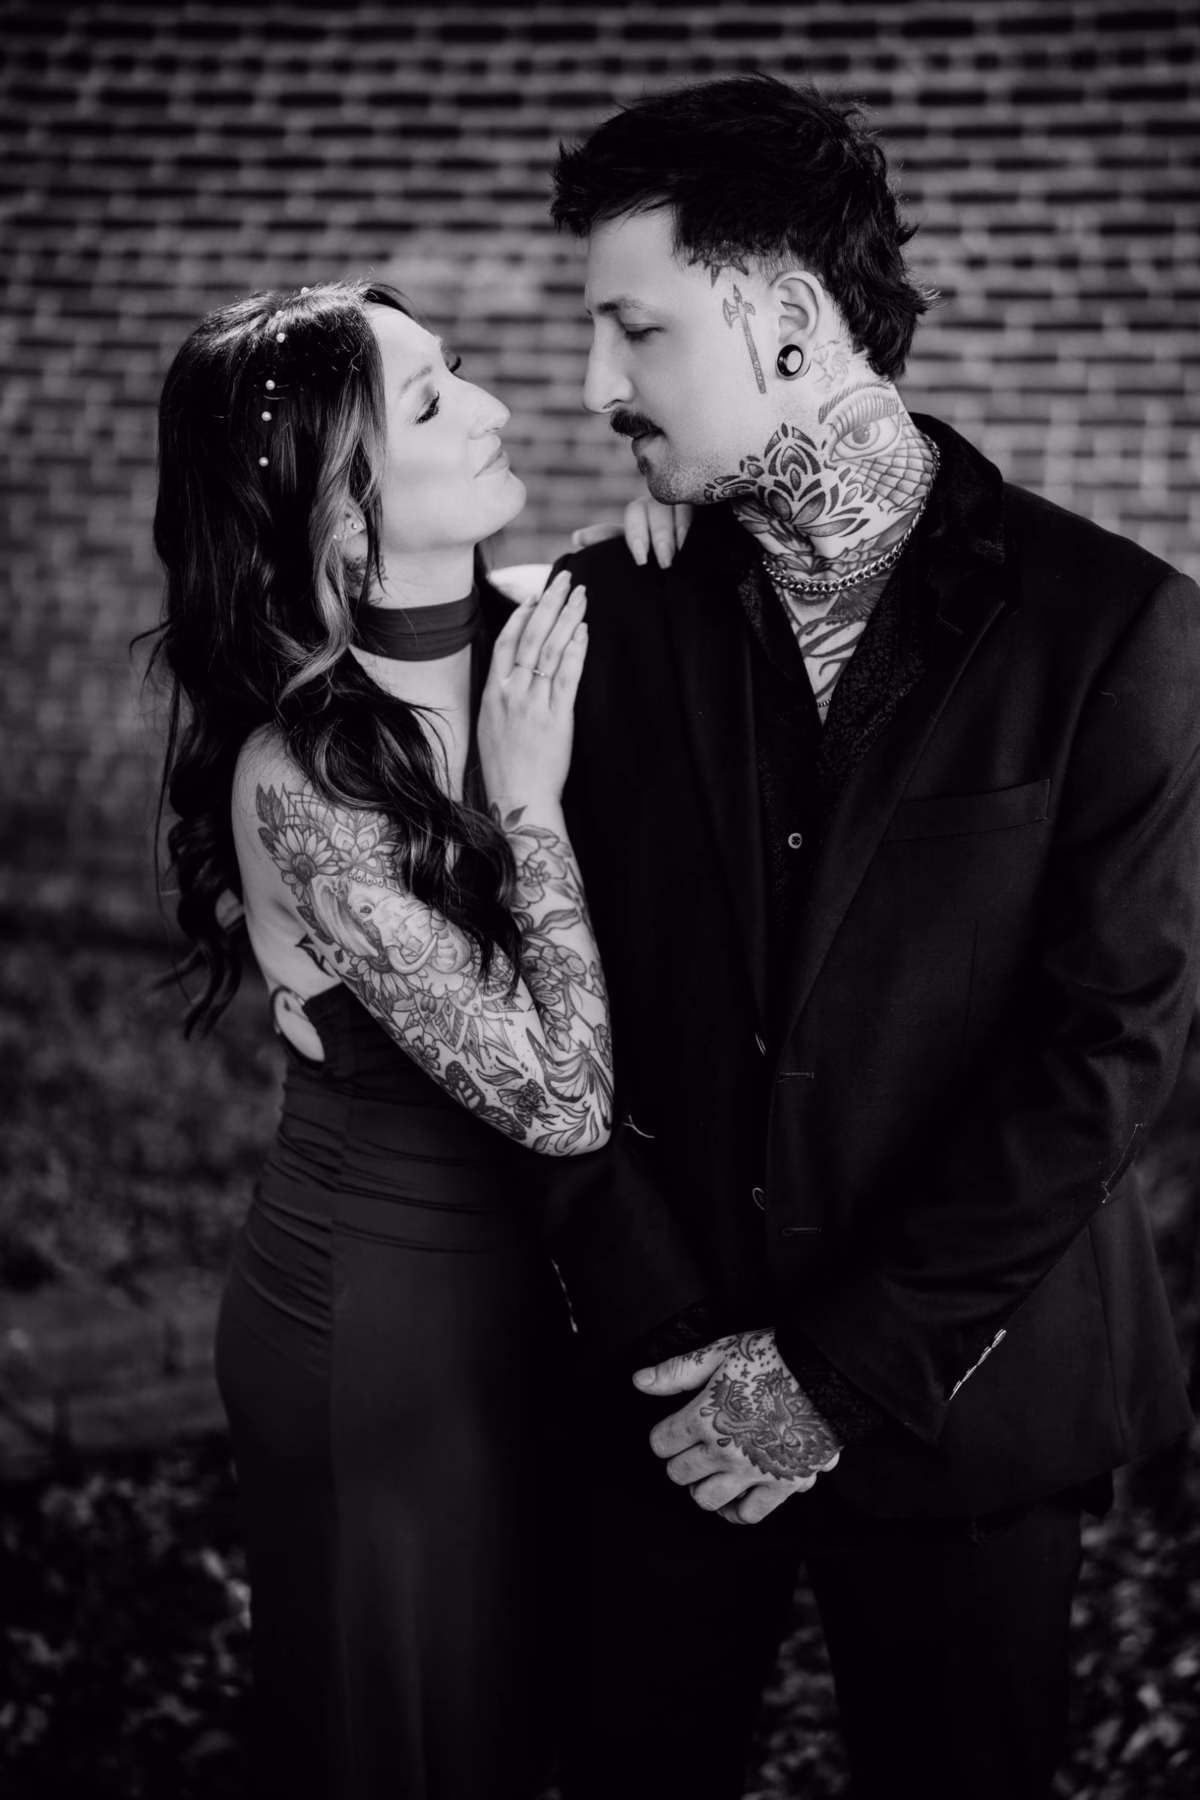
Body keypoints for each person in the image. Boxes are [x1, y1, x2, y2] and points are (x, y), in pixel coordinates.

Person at [538, 75, 1200, 1800]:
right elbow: (556, 983)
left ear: (783, 320)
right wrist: (666, 1325)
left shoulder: (1113, 627)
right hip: (662, 1381)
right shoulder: (607, 612)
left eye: (635, 328)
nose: (595, 384)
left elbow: (1107, 1046)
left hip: (968, 1393)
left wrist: (836, 1373)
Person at [149, 277, 674, 1799]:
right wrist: (526, 805)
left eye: (463, 370)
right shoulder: (297, 781)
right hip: (387, 1324)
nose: (498, 408)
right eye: (436, 401)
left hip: (570, 1304)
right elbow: (560, 1096)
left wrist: (674, 539)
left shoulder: (551, 621)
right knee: (410, 1734)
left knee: (539, 1725)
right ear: (340, 522)